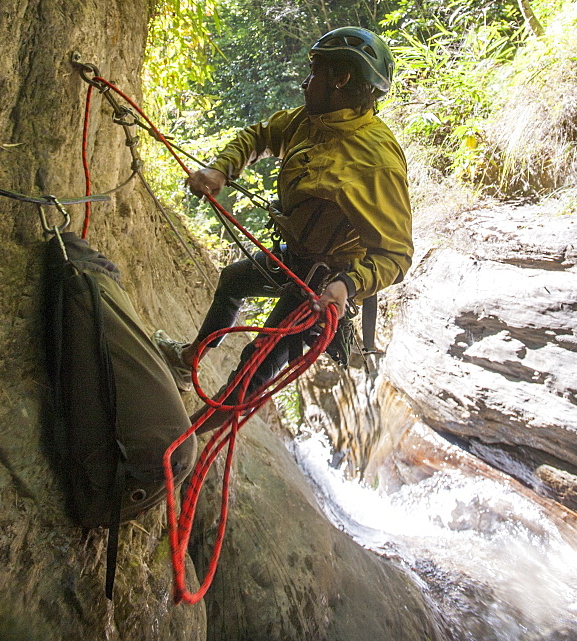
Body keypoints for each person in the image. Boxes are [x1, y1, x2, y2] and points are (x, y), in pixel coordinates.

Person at [153, 26, 413, 423]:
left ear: (340, 79)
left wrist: (346, 285)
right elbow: (261, 135)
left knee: (253, 368)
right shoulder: (314, 120)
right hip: (296, 256)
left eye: (315, 71)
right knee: (233, 281)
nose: (305, 81)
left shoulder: (374, 160)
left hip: (324, 283)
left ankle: (187, 443)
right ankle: (189, 362)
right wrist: (221, 169)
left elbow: (396, 253)